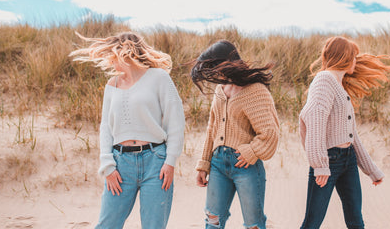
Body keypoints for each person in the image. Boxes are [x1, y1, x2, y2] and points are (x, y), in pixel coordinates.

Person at [69, 31, 186, 229]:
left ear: (124, 52)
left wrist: (170, 161)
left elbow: (176, 120)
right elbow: (105, 126)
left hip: (155, 162)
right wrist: (107, 165)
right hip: (120, 164)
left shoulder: (159, 78)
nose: (109, 60)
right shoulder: (111, 85)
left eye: (112, 54)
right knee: (107, 225)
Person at [298, 36, 390, 229]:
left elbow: (352, 136)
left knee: (356, 221)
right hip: (329, 160)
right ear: (344, 57)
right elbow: (314, 120)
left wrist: (371, 170)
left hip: (348, 160)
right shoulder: (324, 79)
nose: (355, 61)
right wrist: (320, 164)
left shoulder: (339, 85)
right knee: (312, 222)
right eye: (353, 56)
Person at [190, 40, 280, 229]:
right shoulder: (220, 90)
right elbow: (212, 128)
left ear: (227, 64)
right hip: (218, 164)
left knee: (253, 224)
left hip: (245, 165)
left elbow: (270, 133)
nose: (213, 75)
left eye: (214, 69)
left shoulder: (255, 90)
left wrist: (251, 151)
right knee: (212, 218)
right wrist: (204, 164)